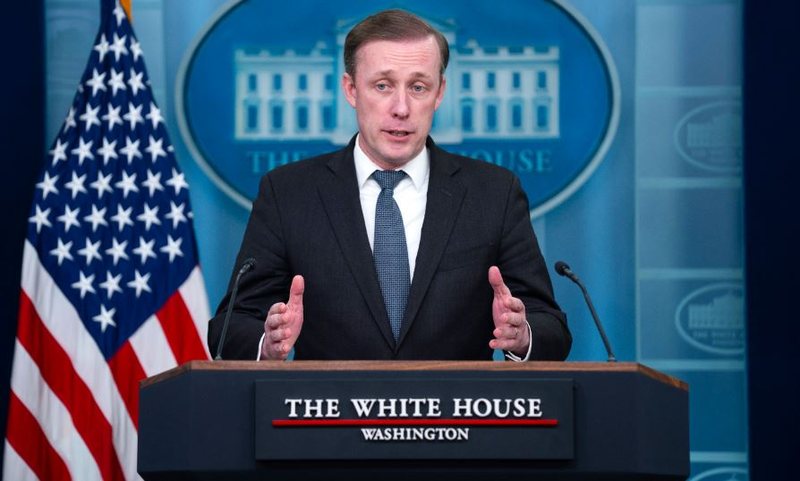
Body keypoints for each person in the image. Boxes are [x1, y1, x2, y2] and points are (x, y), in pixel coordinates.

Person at [208, 9, 571, 361]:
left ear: (439, 93)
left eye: (418, 87)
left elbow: (550, 325)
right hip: (328, 403)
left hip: (456, 403)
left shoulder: (494, 193)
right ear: (351, 89)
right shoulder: (288, 193)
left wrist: (522, 336)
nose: (401, 108)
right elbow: (231, 325)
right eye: (383, 86)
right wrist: (267, 342)